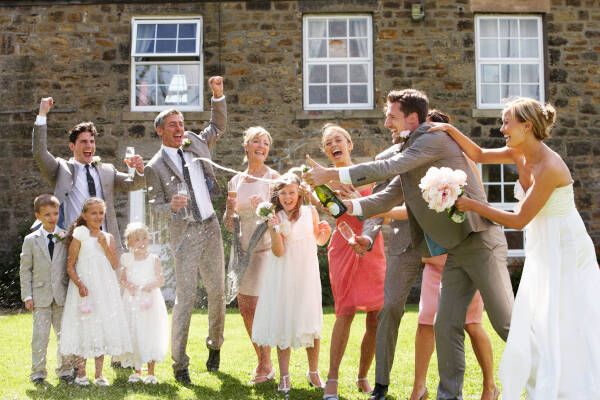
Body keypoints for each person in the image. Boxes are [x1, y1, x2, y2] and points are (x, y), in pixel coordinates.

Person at [304, 89, 514, 400]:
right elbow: (388, 196)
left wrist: (331, 173)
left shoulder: (431, 139)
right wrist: (349, 208)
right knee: (445, 325)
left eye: (391, 116)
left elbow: (386, 169)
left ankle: (555, 376)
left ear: (412, 118)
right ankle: (448, 396)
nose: (386, 122)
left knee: (505, 325)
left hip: (480, 240)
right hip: (456, 249)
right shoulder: (409, 148)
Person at [436, 97, 600, 399]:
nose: (502, 128)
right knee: (541, 314)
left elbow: (519, 220)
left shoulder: (550, 166)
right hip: (543, 243)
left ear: (527, 126)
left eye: (506, 122)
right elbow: (479, 154)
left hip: (566, 246)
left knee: (568, 315)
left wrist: (474, 205)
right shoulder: (518, 153)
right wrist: (447, 129)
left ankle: (575, 385)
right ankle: (549, 377)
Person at [144, 76, 226, 383]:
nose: (180, 130)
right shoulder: (154, 166)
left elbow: (217, 126)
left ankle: (215, 346)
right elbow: (155, 210)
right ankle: (180, 364)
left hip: (211, 226)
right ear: (160, 131)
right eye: (173, 126)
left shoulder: (195, 142)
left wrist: (217, 96)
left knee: (217, 293)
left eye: (181, 124)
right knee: (186, 297)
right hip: (186, 234)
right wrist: (173, 208)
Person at [348, 124, 424, 400]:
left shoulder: (440, 150)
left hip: (444, 241)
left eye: (394, 119)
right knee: (390, 308)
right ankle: (380, 385)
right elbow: (378, 204)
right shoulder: (386, 160)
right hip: (404, 243)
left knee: (464, 319)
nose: (390, 125)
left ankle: (485, 384)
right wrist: (367, 238)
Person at [318, 124, 386, 399]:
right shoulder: (325, 184)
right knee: (344, 311)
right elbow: (331, 211)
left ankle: (362, 376)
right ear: (326, 151)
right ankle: (332, 379)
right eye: (327, 143)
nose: (334, 145)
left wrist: (357, 199)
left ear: (349, 144)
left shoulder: (368, 174)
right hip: (343, 246)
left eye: (338, 140)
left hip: (372, 245)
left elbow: (378, 210)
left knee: (375, 317)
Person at [251, 174, 332, 394]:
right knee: (284, 320)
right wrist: (274, 229)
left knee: (309, 320)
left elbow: (318, 240)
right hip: (284, 273)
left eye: (292, 193)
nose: (288, 197)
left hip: (306, 272)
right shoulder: (275, 216)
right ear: (278, 196)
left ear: (299, 194)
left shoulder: (310, 212)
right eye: (284, 193)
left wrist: (325, 233)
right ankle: (284, 375)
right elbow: (278, 252)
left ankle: (313, 372)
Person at [32, 97, 145, 253]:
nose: (89, 145)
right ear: (72, 146)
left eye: (92, 141)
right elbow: (39, 153)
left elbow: (135, 183)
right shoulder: (62, 169)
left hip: (105, 245)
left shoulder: (107, 170)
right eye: (84, 141)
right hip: (75, 246)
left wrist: (139, 170)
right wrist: (42, 114)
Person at [224, 126, 280, 384]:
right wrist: (227, 212)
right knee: (245, 308)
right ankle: (262, 360)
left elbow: (278, 217)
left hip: (264, 250)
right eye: (256, 141)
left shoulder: (273, 178)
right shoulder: (235, 181)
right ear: (246, 146)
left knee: (258, 306)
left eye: (266, 143)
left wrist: (263, 209)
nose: (261, 146)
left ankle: (266, 364)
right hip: (241, 251)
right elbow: (229, 223)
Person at [60, 197, 132, 386]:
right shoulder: (80, 234)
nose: (98, 216)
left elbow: (115, 264)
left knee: (101, 324)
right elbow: (70, 265)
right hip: (85, 289)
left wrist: (104, 245)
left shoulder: (107, 237)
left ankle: (99, 374)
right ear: (84, 215)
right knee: (84, 326)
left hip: (104, 289)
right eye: (94, 213)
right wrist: (80, 284)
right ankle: (81, 373)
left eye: (101, 212)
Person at [19, 194, 74, 385]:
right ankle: (38, 372)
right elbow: (25, 269)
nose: (52, 218)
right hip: (40, 295)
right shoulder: (30, 240)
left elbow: (70, 265)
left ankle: (66, 370)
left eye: (55, 213)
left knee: (65, 335)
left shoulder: (65, 236)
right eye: (47, 214)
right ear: (38, 216)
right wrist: (27, 295)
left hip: (62, 295)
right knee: (40, 337)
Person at [118, 222, 169, 384]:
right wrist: (130, 285)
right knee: (135, 331)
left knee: (149, 332)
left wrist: (149, 286)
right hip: (132, 300)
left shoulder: (153, 259)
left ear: (149, 240)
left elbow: (161, 280)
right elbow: (123, 279)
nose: (141, 243)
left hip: (149, 300)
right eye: (137, 240)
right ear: (130, 243)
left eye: (144, 239)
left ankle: (151, 372)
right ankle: (137, 370)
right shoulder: (128, 259)